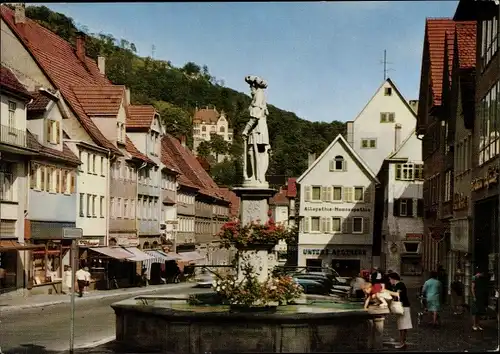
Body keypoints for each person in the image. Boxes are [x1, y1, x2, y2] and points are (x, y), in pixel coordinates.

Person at [388, 272, 412, 349]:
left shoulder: (400, 285)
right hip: (402, 307)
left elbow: (397, 295)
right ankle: (402, 342)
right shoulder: (396, 285)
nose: (389, 281)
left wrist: (386, 291)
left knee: (403, 326)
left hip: (404, 307)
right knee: (401, 326)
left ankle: (402, 343)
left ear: (393, 279)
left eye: (390, 279)